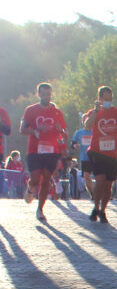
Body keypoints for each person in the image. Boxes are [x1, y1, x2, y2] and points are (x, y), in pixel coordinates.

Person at [83, 86, 117, 223]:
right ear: (99, 99)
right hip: (97, 152)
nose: (108, 102)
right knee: (99, 181)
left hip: (112, 154)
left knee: (108, 186)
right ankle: (96, 207)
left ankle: (102, 210)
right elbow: (87, 126)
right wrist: (95, 111)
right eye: (105, 99)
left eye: (110, 99)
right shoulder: (94, 112)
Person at [20, 82, 67, 222]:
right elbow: (22, 130)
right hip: (34, 150)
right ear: (38, 94)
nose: (47, 97)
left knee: (46, 179)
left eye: (49, 94)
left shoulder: (57, 112)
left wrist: (61, 130)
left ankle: (40, 209)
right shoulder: (30, 110)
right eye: (44, 94)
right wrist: (36, 130)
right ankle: (30, 189)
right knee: (35, 179)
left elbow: (65, 134)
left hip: (51, 150)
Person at [70, 115, 95, 199]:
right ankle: (93, 194)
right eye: (87, 122)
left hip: (96, 157)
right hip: (85, 158)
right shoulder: (79, 132)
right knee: (86, 176)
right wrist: (75, 145)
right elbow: (72, 144)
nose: (88, 124)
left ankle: (103, 193)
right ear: (84, 123)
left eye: (90, 123)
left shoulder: (95, 132)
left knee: (100, 177)